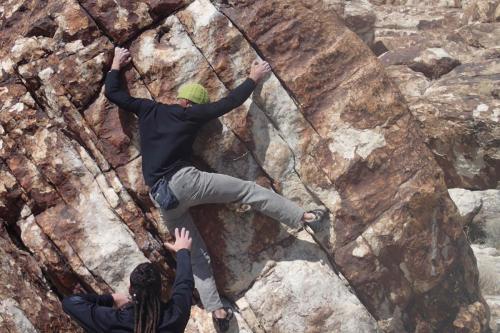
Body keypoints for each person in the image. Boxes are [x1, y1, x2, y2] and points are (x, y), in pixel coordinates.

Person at [104, 47, 326, 332]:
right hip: (186, 182)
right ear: (194, 105)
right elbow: (229, 103)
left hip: (162, 198)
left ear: (179, 98)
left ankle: (218, 311)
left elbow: (114, 94)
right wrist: (253, 77)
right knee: (247, 191)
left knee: (194, 252)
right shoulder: (191, 116)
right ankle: (304, 218)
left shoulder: (149, 109)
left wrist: (116, 64)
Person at [62, 227, 194, 333]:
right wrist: (182, 251)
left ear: (130, 288)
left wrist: (112, 298)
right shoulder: (175, 314)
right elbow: (184, 284)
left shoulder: (116, 322)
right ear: (160, 290)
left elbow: (70, 303)